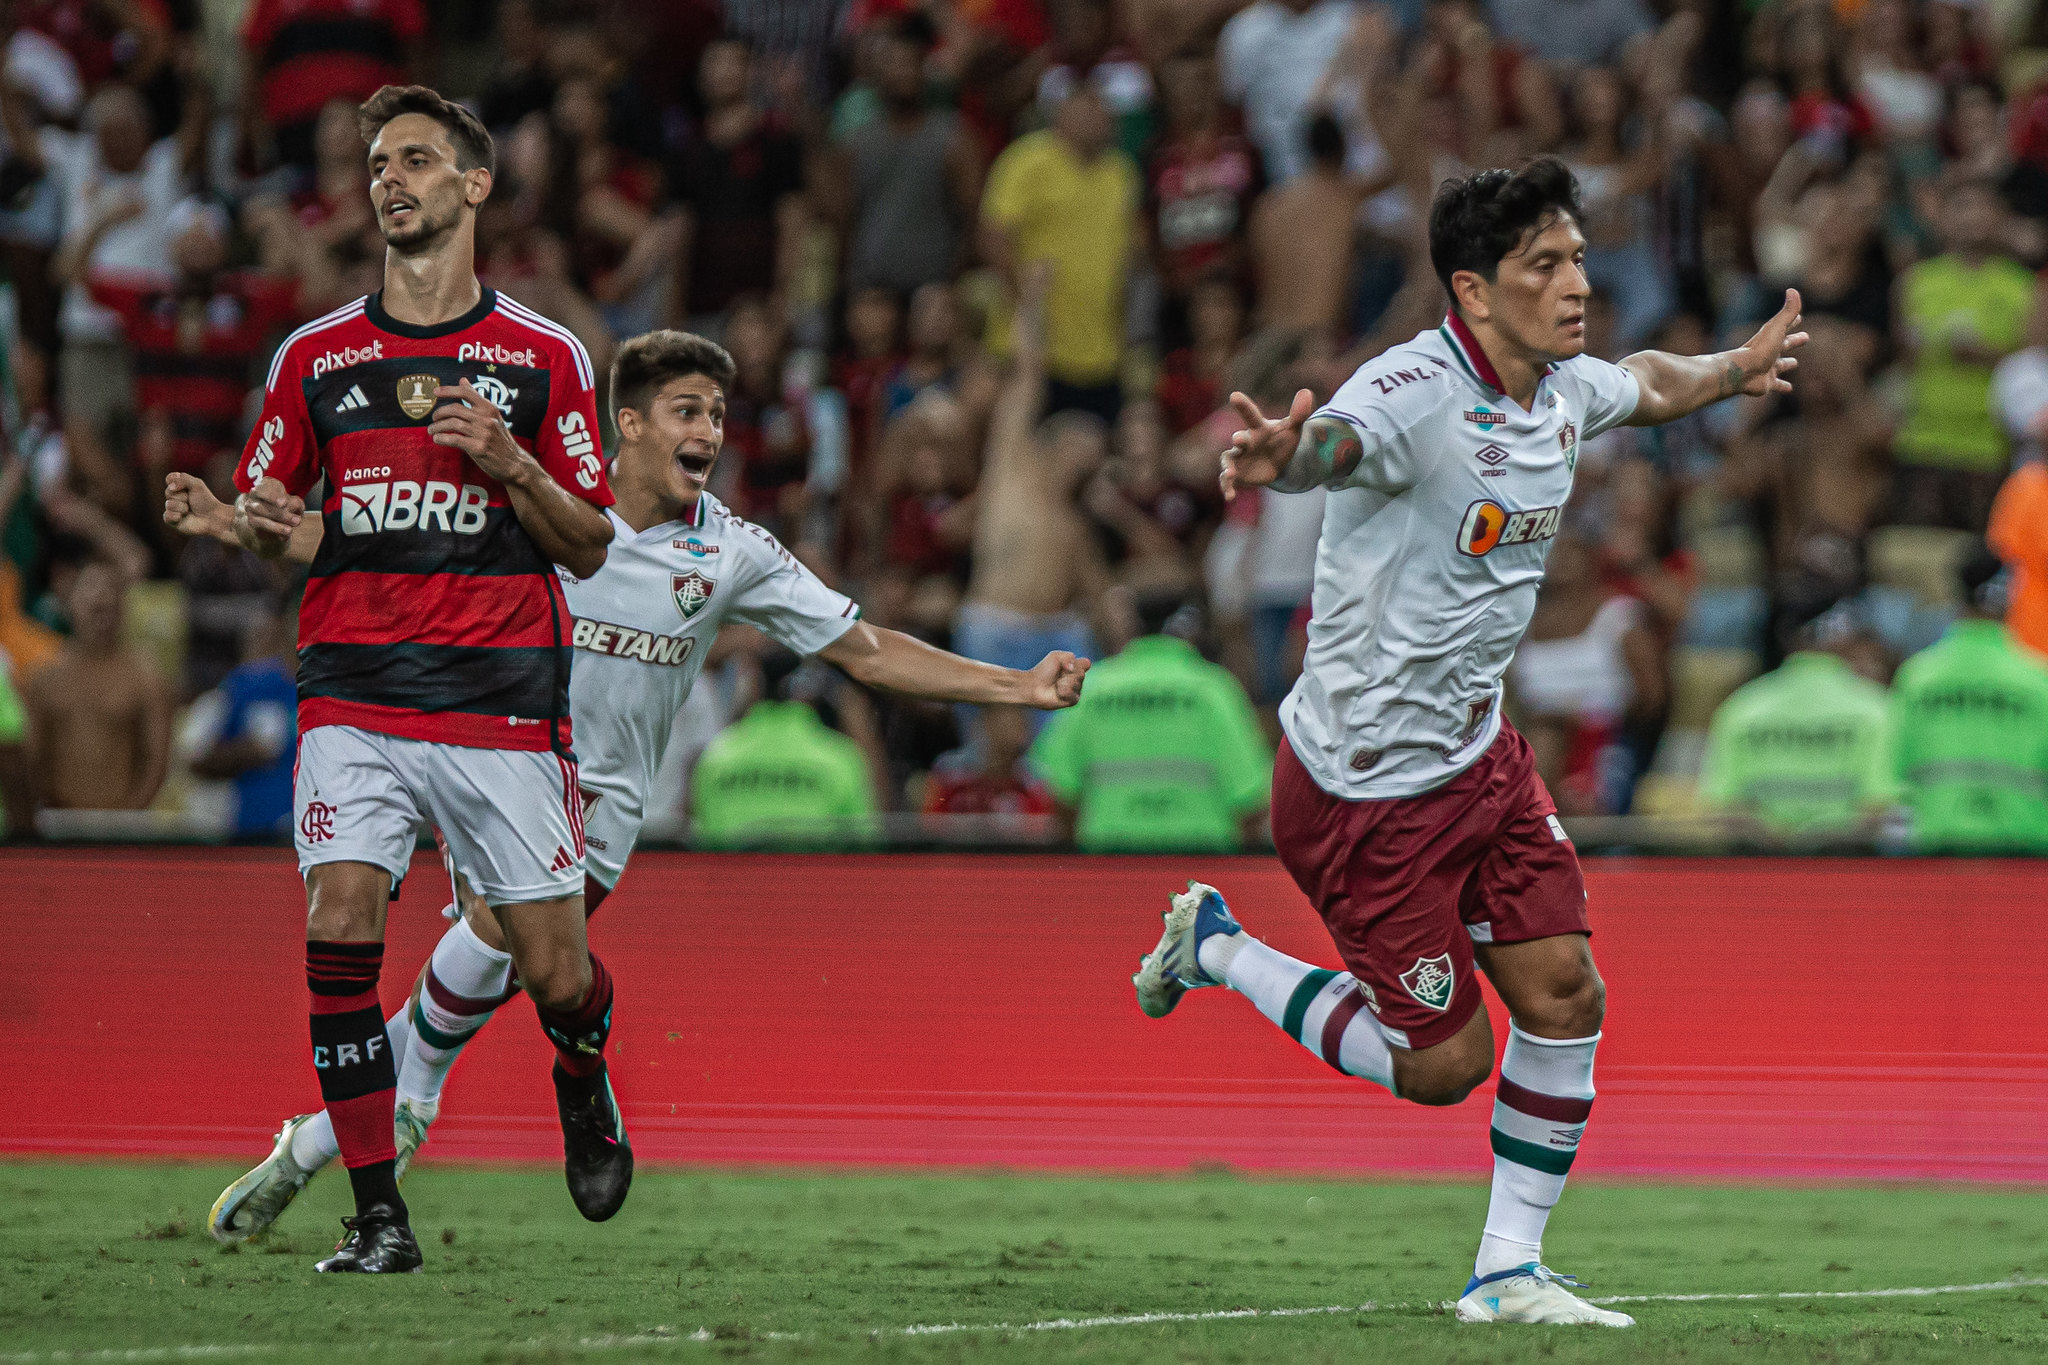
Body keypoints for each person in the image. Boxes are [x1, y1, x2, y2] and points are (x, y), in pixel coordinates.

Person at [171, 328, 1088, 1245]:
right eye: (689, 411)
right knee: (509, 963)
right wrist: (240, 521)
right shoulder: (541, 507)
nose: (711, 433)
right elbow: (382, 544)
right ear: (629, 424)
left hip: (600, 809)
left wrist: (1015, 685)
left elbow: (867, 649)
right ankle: (461, 1094)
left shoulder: (732, 552)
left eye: (720, 416)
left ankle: (355, 1130)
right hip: (495, 760)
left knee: (515, 960)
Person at [1133, 158, 1806, 1327]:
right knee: (1443, 1069)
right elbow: (1339, 443)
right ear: (1472, 290)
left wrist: (1733, 370)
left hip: (1478, 761)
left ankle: (1505, 1275)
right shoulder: (1408, 393)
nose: (1573, 283)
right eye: (1542, 266)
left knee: (1565, 993)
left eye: (1578, 258)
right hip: (1363, 794)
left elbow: (1640, 382)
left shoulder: (1553, 390)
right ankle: (1219, 947)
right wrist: (1283, 458)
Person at [225, 84, 621, 1276]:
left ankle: (582, 1071)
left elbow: (591, 540)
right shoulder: (313, 358)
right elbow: (284, 521)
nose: (388, 179)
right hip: (353, 691)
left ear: (472, 185)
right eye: (377, 164)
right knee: (339, 925)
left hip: (500, 706)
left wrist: (507, 462)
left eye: (413, 160)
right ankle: (377, 1217)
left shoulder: (542, 358)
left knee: (554, 973)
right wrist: (250, 523)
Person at [1031, 599, 1270, 851]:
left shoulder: (1094, 687)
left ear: (1130, 629)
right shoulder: (1213, 689)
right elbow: (1251, 796)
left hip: (1108, 860)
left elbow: (1059, 789)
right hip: (1200, 864)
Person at [978, 81, 1138, 424]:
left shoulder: (1120, 172)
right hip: (1035, 350)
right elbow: (994, 236)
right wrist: (1023, 298)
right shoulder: (1028, 160)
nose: (1101, 118)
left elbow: (1129, 254)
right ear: (1062, 115)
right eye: (1089, 109)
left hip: (1101, 351)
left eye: (1104, 111)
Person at [1892, 176, 2034, 531]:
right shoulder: (1915, 282)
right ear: (1942, 217)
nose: (1972, 217)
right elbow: (1901, 356)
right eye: (1961, 207)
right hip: (1922, 441)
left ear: (2000, 217)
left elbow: (2032, 370)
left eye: (1982, 207)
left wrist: (1985, 354)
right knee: (1919, 548)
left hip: (1990, 445)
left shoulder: (2024, 288)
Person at [1889, 545, 2048, 853]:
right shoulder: (2037, 679)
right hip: (2024, 854)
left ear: (1957, 595)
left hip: (1934, 850)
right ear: (2010, 597)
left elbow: (1894, 777)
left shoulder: (1918, 677)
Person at [1696, 605, 1894, 838]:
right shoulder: (1876, 709)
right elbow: (1878, 809)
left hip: (1765, 868)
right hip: (1847, 867)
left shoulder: (1742, 707)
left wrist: (1780, 848)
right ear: (1842, 638)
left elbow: (1726, 807)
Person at [21, 558, 170, 812]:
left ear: (123, 608)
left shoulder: (145, 677)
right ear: (71, 603)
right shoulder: (45, 677)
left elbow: (156, 760)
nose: (102, 609)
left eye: (109, 605)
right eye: (94, 607)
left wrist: (127, 816)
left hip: (124, 822)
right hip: (59, 823)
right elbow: (32, 756)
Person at [691, 693, 881, 848]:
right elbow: (865, 846)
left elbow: (701, 841)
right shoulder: (840, 757)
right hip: (815, 891)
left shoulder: (715, 757)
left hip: (729, 892)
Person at [184, 602, 299, 838]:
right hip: (251, 832)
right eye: (259, 637)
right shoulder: (239, 687)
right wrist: (243, 752)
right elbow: (198, 760)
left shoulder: (321, 690)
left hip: (310, 832)